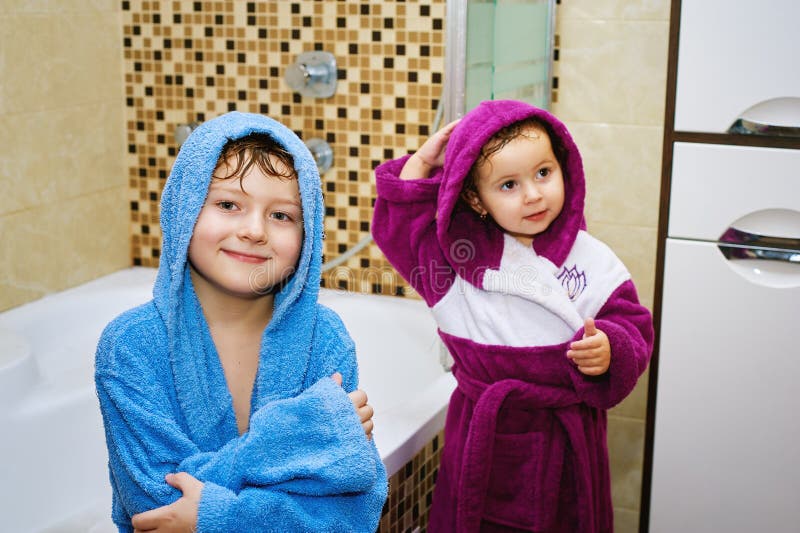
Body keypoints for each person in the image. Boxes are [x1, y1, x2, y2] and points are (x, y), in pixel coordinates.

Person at [95, 111, 388, 532]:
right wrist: (292, 439)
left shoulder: (323, 339)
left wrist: (215, 516)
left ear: (309, 237)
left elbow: (354, 511)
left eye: (281, 216)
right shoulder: (132, 346)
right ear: (184, 210)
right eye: (228, 204)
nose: (254, 231)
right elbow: (156, 509)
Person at [372, 100, 653, 532]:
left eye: (544, 172)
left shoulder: (592, 258)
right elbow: (401, 230)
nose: (533, 194)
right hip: (484, 444)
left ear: (565, 168)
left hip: (568, 442)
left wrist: (610, 349)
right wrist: (423, 163)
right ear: (475, 198)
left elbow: (633, 326)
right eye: (508, 184)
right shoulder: (454, 264)